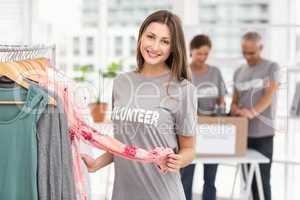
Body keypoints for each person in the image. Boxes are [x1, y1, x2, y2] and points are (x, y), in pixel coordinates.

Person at [81, 10, 197, 200]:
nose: (155, 46)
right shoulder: (121, 83)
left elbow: (189, 150)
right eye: (150, 37)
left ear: (173, 48)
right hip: (122, 193)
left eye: (165, 41)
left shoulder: (184, 89)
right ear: (141, 37)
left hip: (162, 194)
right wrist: (96, 164)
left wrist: (178, 161)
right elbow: (124, 144)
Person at [231, 31, 280, 200]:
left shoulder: (272, 67)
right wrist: (235, 109)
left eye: (251, 52)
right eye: (244, 52)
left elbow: (269, 95)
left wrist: (252, 112)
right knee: (247, 180)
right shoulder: (238, 71)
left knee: (262, 180)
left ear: (261, 48)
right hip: (243, 133)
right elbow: (235, 99)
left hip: (263, 134)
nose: (247, 56)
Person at [180, 34, 227, 200]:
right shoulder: (183, 71)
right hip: (189, 131)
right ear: (191, 51)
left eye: (206, 53)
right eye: (199, 53)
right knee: (186, 176)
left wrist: (221, 109)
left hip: (211, 130)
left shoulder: (215, 72)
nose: (202, 57)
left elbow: (221, 98)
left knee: (210, 178)